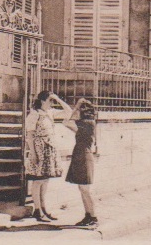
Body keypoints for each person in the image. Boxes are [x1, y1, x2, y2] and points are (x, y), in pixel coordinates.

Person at [24, 91, 67, 222]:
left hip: (49, 149)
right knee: (38, 180)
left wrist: (57, 98)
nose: (51, 103)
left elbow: (69, 111)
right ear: (42, 101)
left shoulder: (49, 113)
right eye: (50, 100)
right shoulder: (34, 114)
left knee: (45, 180)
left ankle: (44, 208)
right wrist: (33, 153)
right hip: (39, 149)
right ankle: (37, 210)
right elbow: (30, 136)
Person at [63, 98, 98, 228]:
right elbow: (70, 125)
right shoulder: (86, 123)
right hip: (80, 155)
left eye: (79, 109)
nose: (76, 111)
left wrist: (76, 106)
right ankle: (88, 215)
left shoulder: (86, 123)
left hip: (84, 157)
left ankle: (93, 217)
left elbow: (66, 121)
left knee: (85, 189)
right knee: (82, 189)